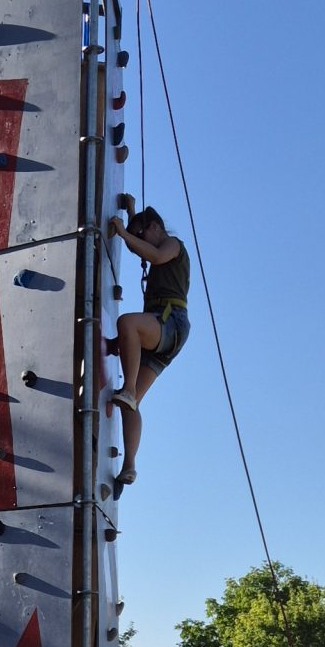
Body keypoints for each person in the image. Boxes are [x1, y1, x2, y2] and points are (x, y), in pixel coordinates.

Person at [104, 200, 191, 489]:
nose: (140, 239)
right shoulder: (152, 236)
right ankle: (129, 465)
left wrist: (124, 231)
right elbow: (139, 246)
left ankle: (127, 389)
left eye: (143, 232)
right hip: (166, 332)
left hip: (169, 321)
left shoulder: (173, 244)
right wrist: (130, 214)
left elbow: (153, 254)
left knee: (128, 323)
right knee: (132, 405)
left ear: (155, 226)